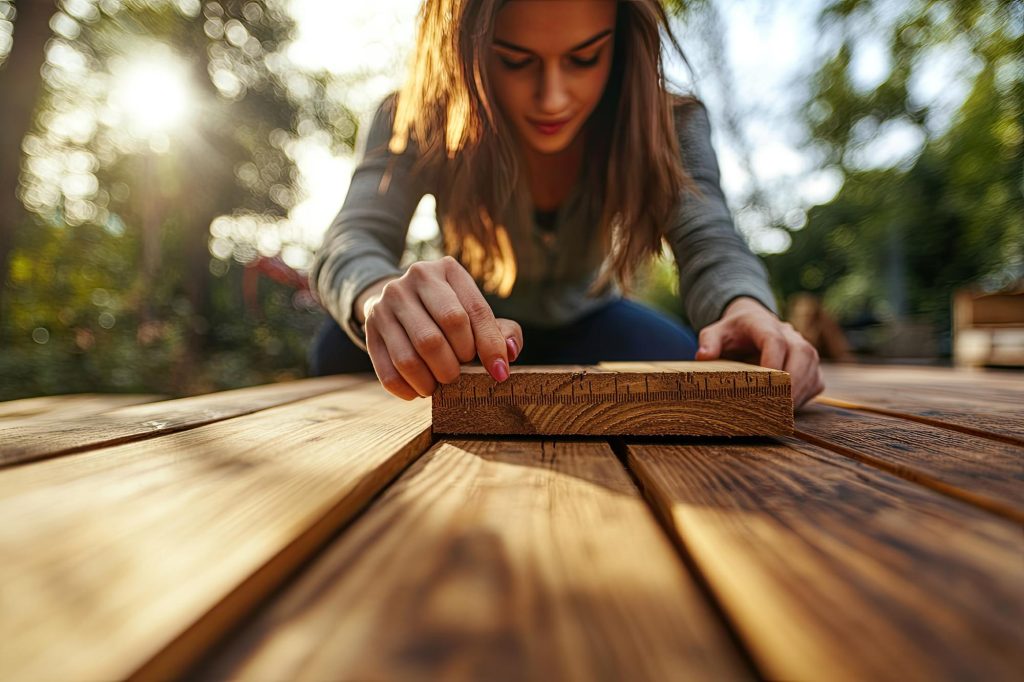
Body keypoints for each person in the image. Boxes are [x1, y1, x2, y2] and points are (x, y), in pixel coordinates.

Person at [308, 0, 825, 407]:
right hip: (471, 338)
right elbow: (354, 238)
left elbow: (708, 237)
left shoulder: (672, 123)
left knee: (701, 364)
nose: (552, 98)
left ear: (621, 45)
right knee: (339, 346)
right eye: (515, 60)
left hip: (601, 324)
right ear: (468, 50)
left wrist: (746, 309)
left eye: (584, 58)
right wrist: (379, 297)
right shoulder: (413, 117)